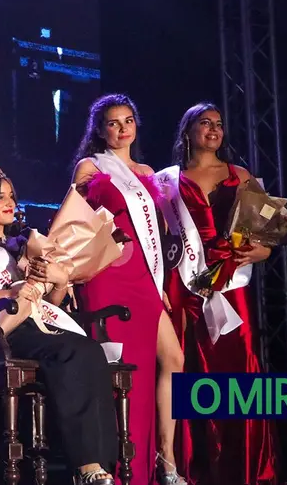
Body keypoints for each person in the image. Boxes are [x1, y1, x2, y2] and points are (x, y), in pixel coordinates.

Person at [0, 158, 118, 485]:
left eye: (11, 195)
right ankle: (85, 465)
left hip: (32, 324)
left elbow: (49, 306)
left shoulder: (21, 246)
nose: (9, 202)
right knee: (71, 352)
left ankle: (103, 465)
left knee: (91, 350)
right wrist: (6, 294)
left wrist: (60, 281)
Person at [158, 102, 278, 485]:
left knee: (239, 371)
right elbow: (158, 241)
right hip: (186, 287)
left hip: (230, 284)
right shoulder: (167, 181)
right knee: (190, 371)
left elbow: (268, 236)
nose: (213, 129)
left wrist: (259, 251)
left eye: (219, 124)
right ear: (187, 131)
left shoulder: (240, 175)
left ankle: (243, 469)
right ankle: (195, 470)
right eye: (204, 123)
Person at [72, 94, 186, 485]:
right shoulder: (90, 166)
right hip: (110, 276)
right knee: (121, 374)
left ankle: (166, 459)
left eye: (128, 121)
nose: (122, 129)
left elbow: (158, 232)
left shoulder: (147, 170)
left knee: (174, 359)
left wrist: (162, 283)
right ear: (100, 130)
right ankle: (121, 466)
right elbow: (76, 221)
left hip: (145, 277)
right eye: (112, 123)